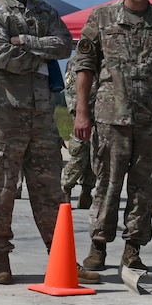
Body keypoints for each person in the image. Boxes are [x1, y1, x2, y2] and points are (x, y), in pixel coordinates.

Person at [0, 0, 100, 285]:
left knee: (51, 194)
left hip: (42, 117)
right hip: (6, 118)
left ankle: (62, 261)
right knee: (2, 191)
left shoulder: (43, 10)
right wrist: (39, 56)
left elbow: (64, 44)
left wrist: (26, 41)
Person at [72, 0, 152, 272]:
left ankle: (132, 249)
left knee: (145, 187)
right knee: (107, 185)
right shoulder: (103, 18)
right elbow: (85, 68)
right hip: (111, 118)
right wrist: (82, 113)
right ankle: (98, 247)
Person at [61, 60, 96, 209]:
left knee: (96, 156)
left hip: (103, 113)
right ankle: (66, 188)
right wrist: (79, 113)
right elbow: (72, 90)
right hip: (83, 112)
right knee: (79, 153)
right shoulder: (79, 61)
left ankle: (87, 191)